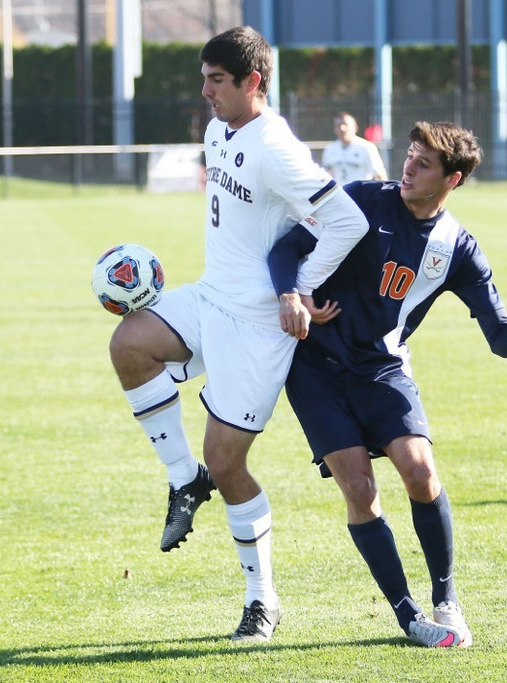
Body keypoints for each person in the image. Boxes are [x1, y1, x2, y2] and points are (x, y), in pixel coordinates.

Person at [107, 26, 368, 642]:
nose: (205, 91)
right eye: (204, 79)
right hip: (209, 296)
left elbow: (346, 221)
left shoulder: (276, 147)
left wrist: (299, 289)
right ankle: (181, 478)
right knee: (129, 345)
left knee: (229, 465)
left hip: (256, 327)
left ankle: (263, 600)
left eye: (216, 81)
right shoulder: (218, 129)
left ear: (253, 82)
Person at [268, 121, 507, 648]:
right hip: (317, 369)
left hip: (383, 370)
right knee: (358, 487)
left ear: (454, 180)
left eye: (424, 164)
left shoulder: (456, 247)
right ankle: (407, 616)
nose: (408, 167)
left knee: (421, 472)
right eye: (410, 156)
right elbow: (285, 250)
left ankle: (446, 601)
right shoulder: (358, 200)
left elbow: (498, 333)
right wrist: (292, 296)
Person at [321, 112, 388, 186]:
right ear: (334, 129)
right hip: (338, 194)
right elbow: (325, 175)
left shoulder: (366, 147)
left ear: (355, 127)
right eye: (338, 125)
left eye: (345, 124)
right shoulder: (330, 149)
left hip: (359, 195)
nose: (342, 128)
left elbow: (379, 175)